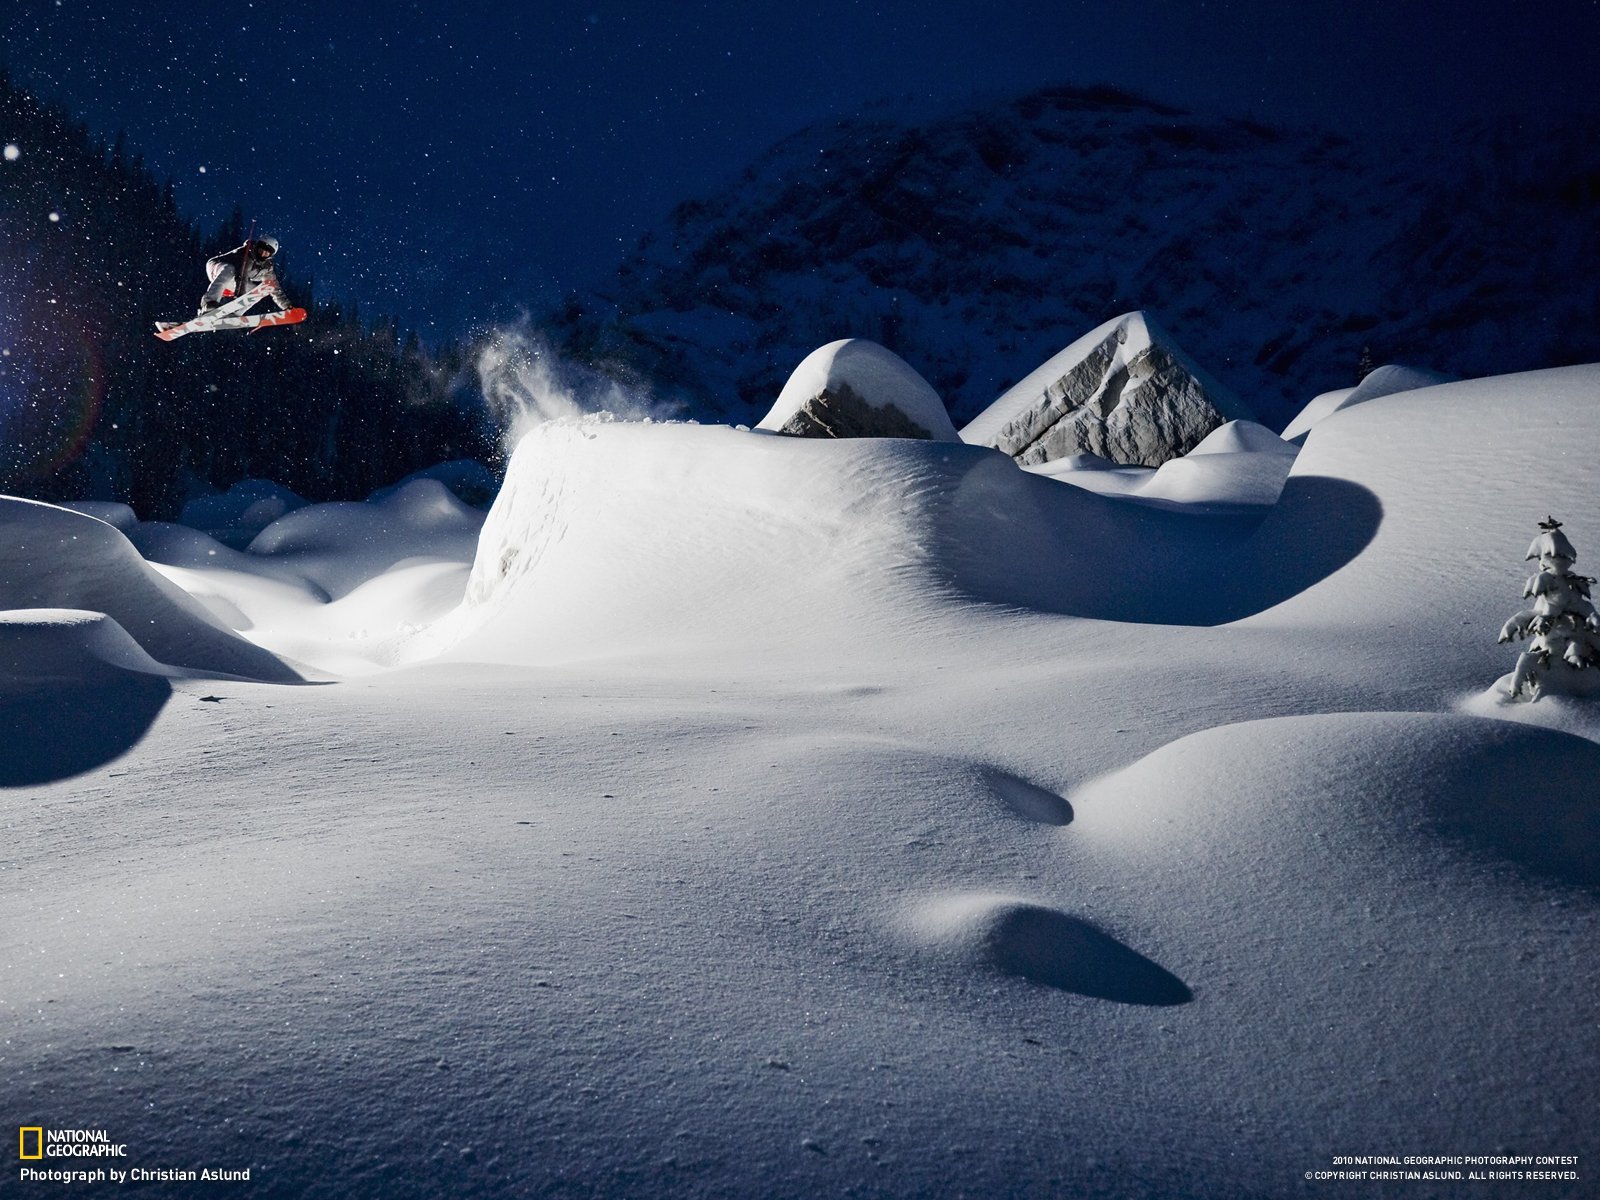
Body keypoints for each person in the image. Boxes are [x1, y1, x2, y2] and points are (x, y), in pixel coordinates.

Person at [198, 234, 291, 315]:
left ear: (270, 255)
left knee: (259, 291)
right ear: (256, 247)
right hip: (216, 268)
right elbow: (242, 276)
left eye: (266, 253)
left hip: (232, 280)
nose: (262, 254)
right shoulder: (246, 254)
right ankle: (209, 303)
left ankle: (234, 314)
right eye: (261, 250)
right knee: (230, 269)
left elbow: (274, 288)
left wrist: (287, 306)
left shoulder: (267, 268)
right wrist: (239, 296)